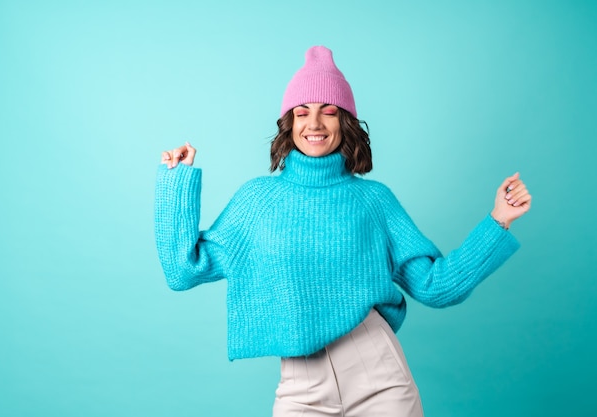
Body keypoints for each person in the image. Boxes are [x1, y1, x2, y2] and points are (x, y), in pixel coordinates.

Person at [155, 46, 531, 417]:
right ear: (290, 124)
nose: (314, 124)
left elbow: (435, 286)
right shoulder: (258, 201)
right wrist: (177, 184)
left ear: (345, 123)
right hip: (301, 389)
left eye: (329, 112)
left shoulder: (374, 201)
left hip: (380, 379)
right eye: (302, 113)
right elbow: (182, 270)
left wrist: (498, 220)